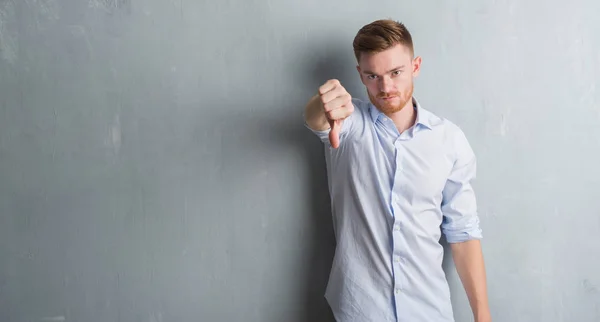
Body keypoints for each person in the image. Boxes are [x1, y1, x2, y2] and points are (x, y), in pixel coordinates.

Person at [303, 19, 491, 322]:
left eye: (396, 73)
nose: (386, 87)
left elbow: (463, 232)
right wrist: (322, 104)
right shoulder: (348, 123)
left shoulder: (449, 139)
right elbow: (318, 120)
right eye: (372, 76)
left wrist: (483, 317)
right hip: (361, 309)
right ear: (360, 75)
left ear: (415, 66)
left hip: (430, 310)